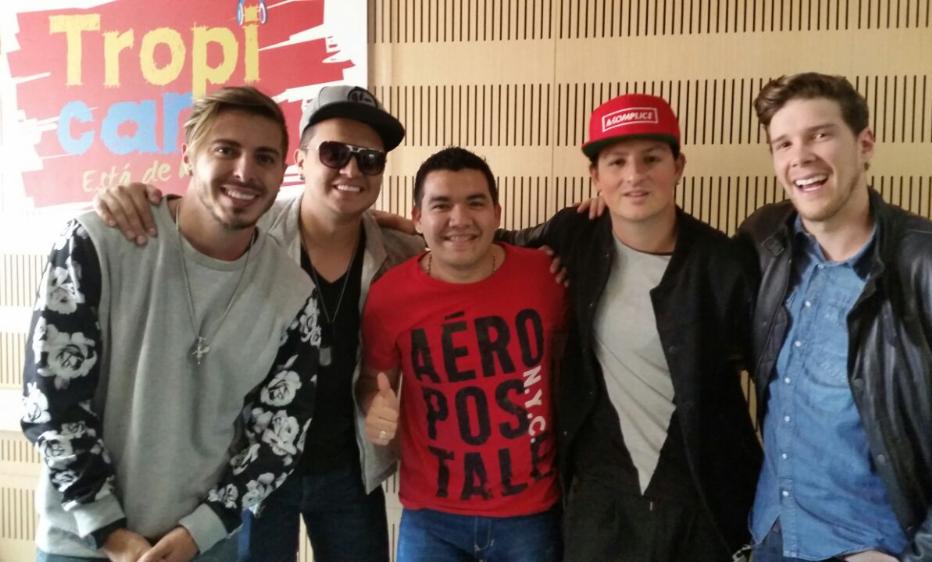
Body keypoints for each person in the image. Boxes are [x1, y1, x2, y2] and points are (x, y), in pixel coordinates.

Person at [91, 85, 425, 562]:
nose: (352, 171)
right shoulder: (246, 233)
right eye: (334, 153)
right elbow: (189, 217)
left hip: (350, 467)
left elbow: (475, 248)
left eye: (369, 160)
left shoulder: (403, 253)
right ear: (300, 160)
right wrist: (129, 197)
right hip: (247, 465)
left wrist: (433, 226)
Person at [21, 86, 321, 562]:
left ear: (281, 172)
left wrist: (200, 531)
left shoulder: (294, 295)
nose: (245, 171)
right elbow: (51, 401)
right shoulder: (95, 243)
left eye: (264, 158)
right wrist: (111, 533)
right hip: (80, 544)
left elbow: (280, 437)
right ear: (187, 156)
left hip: (204, 546)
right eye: (226, 150)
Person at [739, 72, 932, 561]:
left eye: (820, 134)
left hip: (875, 548)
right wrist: (597, 220)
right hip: (772, 535)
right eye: (783, 143)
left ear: (865, 144)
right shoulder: (765, 244)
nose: (801, 157)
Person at [500, 93, 762, 560]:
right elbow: (489, 246)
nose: (634, 175)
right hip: (602, 497)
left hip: (702, 497)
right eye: (617, 162)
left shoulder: (724, 265)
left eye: (651, 158)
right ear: (595, 176)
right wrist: (404, 228)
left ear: (678, 166)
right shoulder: (575, 234)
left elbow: (772, 377)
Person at [358, 147, 567, 561]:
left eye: (475, 203)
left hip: (531, 514)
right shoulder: (389, 296)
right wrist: (372, 405)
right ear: (418, 218)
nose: (460, 219)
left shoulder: (545, 277)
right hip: (431, 517)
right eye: (441, 205)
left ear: (497, 213)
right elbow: (372, 380)